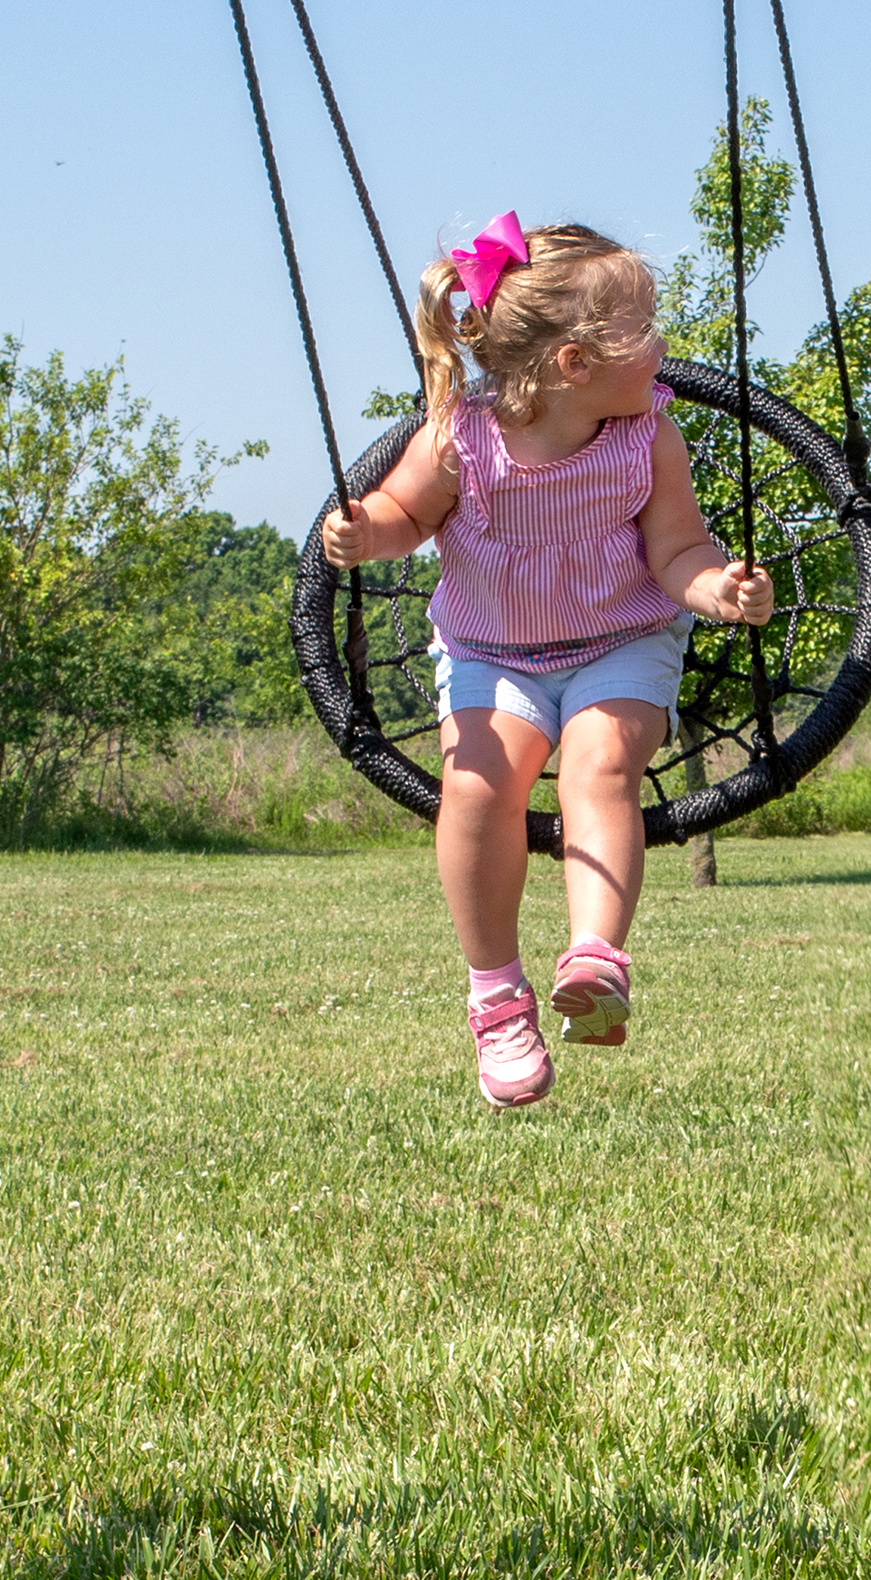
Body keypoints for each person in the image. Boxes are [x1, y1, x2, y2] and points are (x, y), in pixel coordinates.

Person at [322, 213, 773, 1107]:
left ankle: (597, 958)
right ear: (575, 363)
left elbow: (676, 552)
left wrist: (716, 587)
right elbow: (404, 517)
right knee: (479, 787)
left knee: (599, 769)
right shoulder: (461, 437)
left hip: (622, 640)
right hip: (494, 654)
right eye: (645, 331)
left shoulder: (650, 439)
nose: (664, 347)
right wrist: (364, 530)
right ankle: (496, 995)